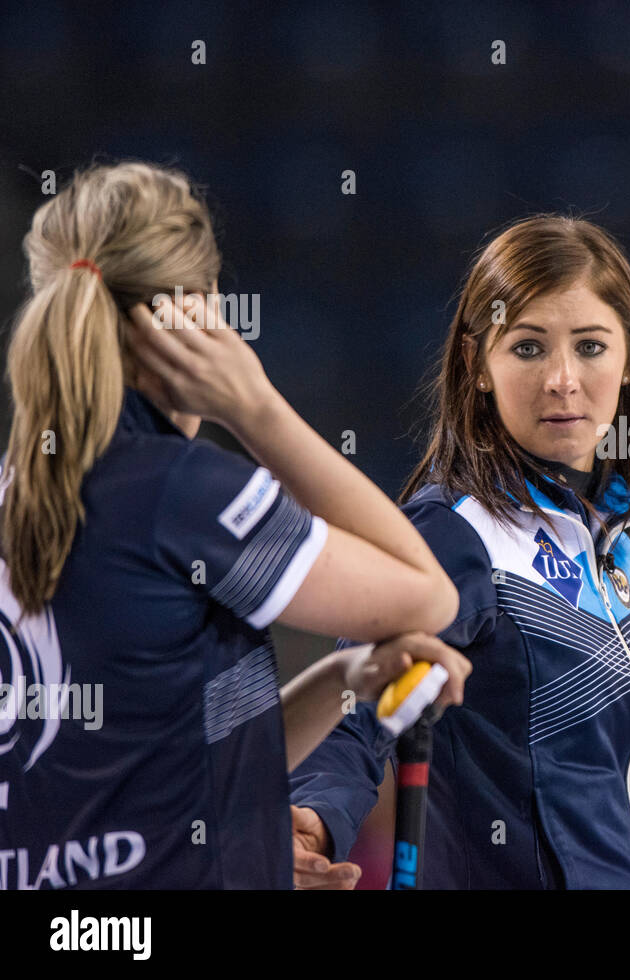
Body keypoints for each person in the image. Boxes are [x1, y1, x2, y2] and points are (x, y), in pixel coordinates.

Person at [0, 161, 468, 889]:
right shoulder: (179, 490)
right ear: (195, 318)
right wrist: (256, 408)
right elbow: (428, 595)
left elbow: (162, 765)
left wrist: (345, 676)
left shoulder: (21, 489)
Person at [290, 215, 630, 889]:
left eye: (591, 347)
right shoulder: (454, 534)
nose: (563, 380)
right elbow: (362, 700)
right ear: (475, 365)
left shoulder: (612, 548)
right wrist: (311, 814)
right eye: (528, 348)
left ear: (629, 360)